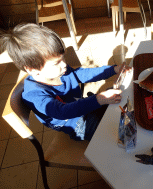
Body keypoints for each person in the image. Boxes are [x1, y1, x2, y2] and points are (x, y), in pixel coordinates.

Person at [0, 23, 130, 141]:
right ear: (33, 69)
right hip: (76, 125)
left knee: (118, 98)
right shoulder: (34, 95)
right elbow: (62, 112)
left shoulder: (60, 71)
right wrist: (98, 100)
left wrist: (113, 69)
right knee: (113, 134)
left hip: (81, 107)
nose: (64, 65)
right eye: (56, 62)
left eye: (63, 58)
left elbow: (82, 74)